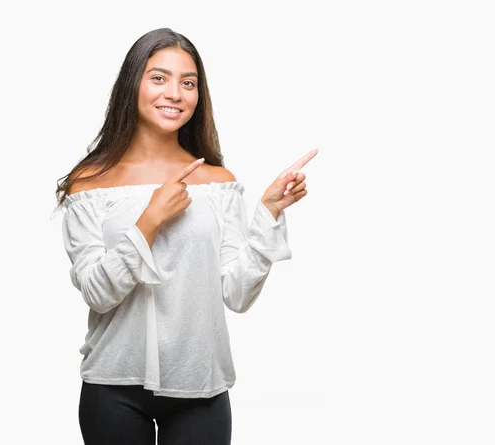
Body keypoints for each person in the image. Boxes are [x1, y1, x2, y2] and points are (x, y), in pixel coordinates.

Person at [54, 27, 317, 445]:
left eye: (188, 82)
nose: (175, 93)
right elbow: (97, 293)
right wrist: (150, 218)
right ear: (132, 84)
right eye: (158, 77)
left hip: (201, 389)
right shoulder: (89, 185)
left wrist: (267, 213)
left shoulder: (217, 183)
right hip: (113, 386)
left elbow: (237, 294)